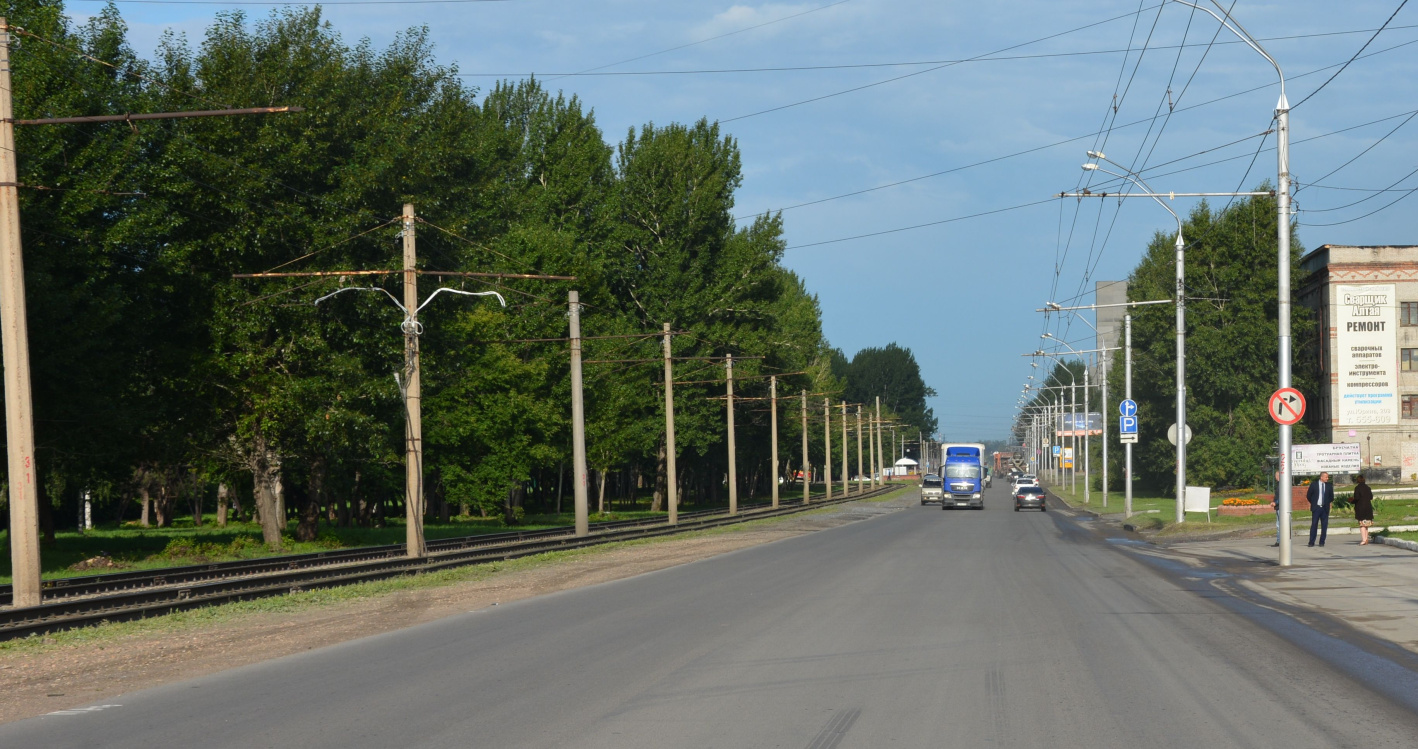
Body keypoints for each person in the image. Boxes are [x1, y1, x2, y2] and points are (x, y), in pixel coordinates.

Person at [1307, 471, 1334, 547]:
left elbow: (1331, 497)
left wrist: (1326, 502)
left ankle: (1322, 542)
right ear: (1321, 477)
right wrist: (1313, 503)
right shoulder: (1314, 485)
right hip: (1316, 508)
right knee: (1314, 524)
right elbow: (1309, 495)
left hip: (1325, 509)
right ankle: (1311, 542)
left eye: (1328, 477)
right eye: (1326, 477)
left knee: (1324, 526)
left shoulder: (1329, 486)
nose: (1327, 478)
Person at [1353, 474, 1375, 545]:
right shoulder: (1368, 487)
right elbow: (1371, 497)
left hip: (1360, 508)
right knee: (1366, 524)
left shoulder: (1357, 488)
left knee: (1362, 524)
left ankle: (1363, 539)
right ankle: (1366, 539)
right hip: (1368, 507)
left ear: (1358, 480)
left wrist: (1351, 501)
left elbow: (1356, 498)